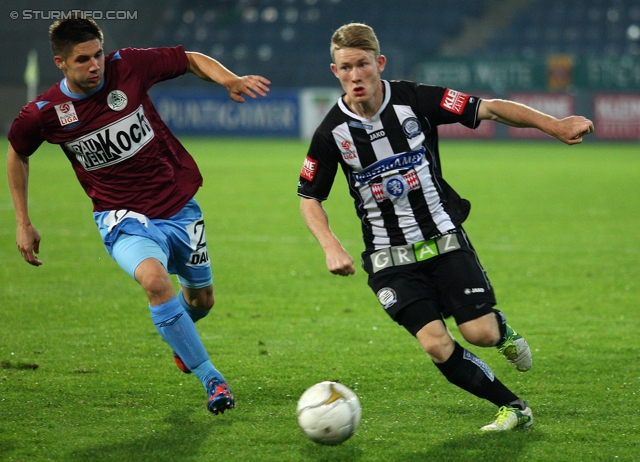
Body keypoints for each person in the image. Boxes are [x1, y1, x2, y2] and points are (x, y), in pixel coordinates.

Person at [298, 23, 594, 431]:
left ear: (378, 64)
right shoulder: (331, 133)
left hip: (444, 239)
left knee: (481, 334)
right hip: (390, 258)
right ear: (335, 71)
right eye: (345, 68)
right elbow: (309, 195)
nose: (355, 75)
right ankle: (513, 407)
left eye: (362, 65)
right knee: (436, 344)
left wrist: (554, 126)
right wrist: (330, 245)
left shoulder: (415, 100)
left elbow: (489, 107)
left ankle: (501, 329)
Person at [7, 17, 271, 416]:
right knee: (154, 279)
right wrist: (22, 221)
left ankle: (184, 342)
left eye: (97, 54)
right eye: (83, 60)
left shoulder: (127, 65)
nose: (95, 66)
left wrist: (228, 80)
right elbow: (17, 153)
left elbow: (189, 59)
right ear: (60, 62)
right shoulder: (44, 113)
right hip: (121, 216)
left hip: (178, 206)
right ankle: (212, 379)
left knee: (201, 301)